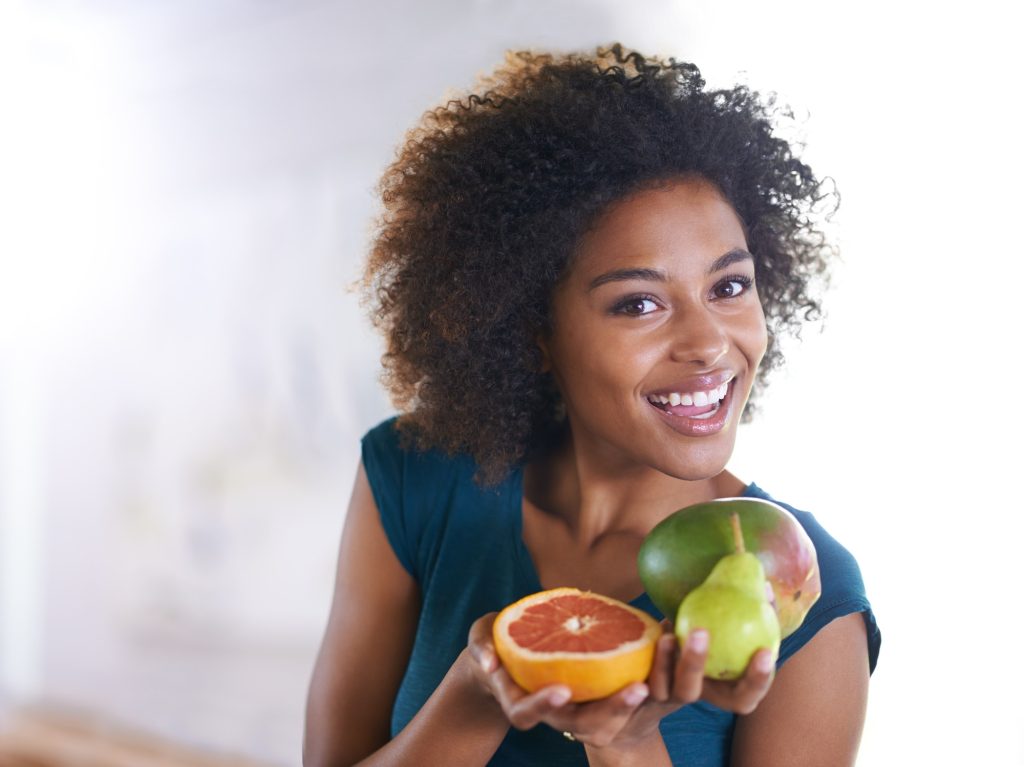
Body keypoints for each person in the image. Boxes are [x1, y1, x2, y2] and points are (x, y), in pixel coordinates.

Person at [304, 44, 881, 767]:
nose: (708, 343)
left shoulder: (808, 596)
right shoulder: (415, 480)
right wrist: (475, 694)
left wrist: (631, 744)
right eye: (639, 302)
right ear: (536, 331)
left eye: (729, 286)